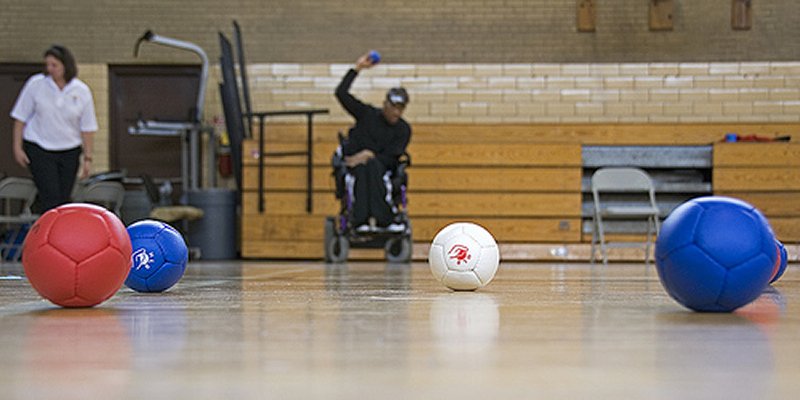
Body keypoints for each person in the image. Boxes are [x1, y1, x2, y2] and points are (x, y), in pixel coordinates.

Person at [11, 45, 97, 213]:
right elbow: (20, 117)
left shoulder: (81, 90)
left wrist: (88, 158)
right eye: (47, 65)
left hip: (69, 149)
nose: (50, 69)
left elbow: (87, 128)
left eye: (54, 65)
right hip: (39, 146)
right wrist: (17, 147)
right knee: (50, 194)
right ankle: (46, 233)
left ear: (66, 66)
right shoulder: (36, 84)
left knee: (64, 197)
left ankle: (60, 234)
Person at [335, 51, 411, 232]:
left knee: (373, 166)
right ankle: (359, 220)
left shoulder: (403, 129)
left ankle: (384, 219)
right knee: (362, 169)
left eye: (401, 109)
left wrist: (368, 156)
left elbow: (392, 157)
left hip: (381, 168)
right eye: (394, 108)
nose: (397, 113)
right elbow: (341, 93)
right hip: (354, 164)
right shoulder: (367, 114)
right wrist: (358, 68)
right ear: (385, 104)